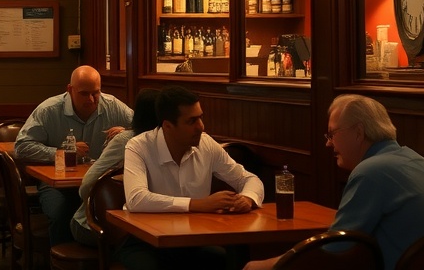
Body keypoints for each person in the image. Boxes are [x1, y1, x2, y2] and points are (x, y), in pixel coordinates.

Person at [244, 94, 424, 270]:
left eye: (332, 133)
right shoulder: (419, 161)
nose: (328, 143)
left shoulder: (372, 172)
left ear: (359, 132)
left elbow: (332, 250)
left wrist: (265, 265)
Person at [120, 86, 264, 270]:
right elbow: (136, 199)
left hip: (192, 241)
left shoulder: (206, 144)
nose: (201, 127)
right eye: (191, 121)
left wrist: (248, 198)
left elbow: (249, 179)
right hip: (145, 243)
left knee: (232, 260)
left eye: (200, 117)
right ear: (168, 126)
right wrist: (198, 204)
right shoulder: (138, 147)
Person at [15, 65, 134, 245]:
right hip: (57, 184)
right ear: (70, 90)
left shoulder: (113, 106)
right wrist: (62, 153)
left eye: (96, 93)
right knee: (60, 214)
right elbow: (22, 147)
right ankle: (62, 260)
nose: (92, 99)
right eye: (84, 94)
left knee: (116, 217)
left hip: (99, 182)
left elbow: (146, 130)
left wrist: (127, 132)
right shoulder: (49, 110)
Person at [70, 87, 161, 247]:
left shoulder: (171, 144)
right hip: (94, 225)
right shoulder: (128, 141)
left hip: (147, 224)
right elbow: (87, 185)